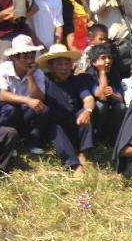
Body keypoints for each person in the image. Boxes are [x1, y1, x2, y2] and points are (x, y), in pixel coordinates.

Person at [38, 44, 95, 173]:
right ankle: (74, 165)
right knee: (54, 127)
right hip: (53, 126)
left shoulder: (77, 81)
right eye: (59, 64)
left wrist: (88, 111)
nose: (64, 68)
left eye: (66, 64)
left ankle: (83, 153)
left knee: (84, 113)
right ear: (50, 66)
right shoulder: (45, 81)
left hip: (72, 123)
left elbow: (89, 99)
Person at [0, 34, 48, 154]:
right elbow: (1, 95)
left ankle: (32, 139)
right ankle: (10, 141)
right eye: (25, 57)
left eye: (32, 56)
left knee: (43, 109)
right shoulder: (1, 69)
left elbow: (40, 97)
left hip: (25, 111)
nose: (30, 60)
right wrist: (27, 100)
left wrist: (30, 76)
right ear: (14, 58)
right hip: (7, 111)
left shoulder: (37, 72)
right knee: (10, 109)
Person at [84, 42, 124, 143]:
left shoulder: (114, 73)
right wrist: (102, 71)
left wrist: (113, 95)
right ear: (94, 62)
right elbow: (102, 97)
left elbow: (120, 98)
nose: (108, 61)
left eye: (110, 58)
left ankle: (113, 138)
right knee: (101, 105)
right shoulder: (89, 75)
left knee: (121, 107)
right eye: (103, 58)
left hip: (110, 107)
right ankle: (97, 137)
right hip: (93, 111)